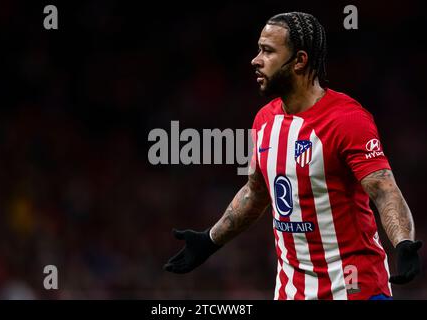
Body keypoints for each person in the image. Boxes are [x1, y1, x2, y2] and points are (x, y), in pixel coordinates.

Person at [163, 12, 422, 300]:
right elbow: (255, 193)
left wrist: (403, 242)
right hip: (291, 292)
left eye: (268, 51)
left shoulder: (347, 119)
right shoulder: (264, 120)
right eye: (259, 49)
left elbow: (384, 189)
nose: (256, 59)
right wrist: (209, 240)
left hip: (355, 289)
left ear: (299, 60)